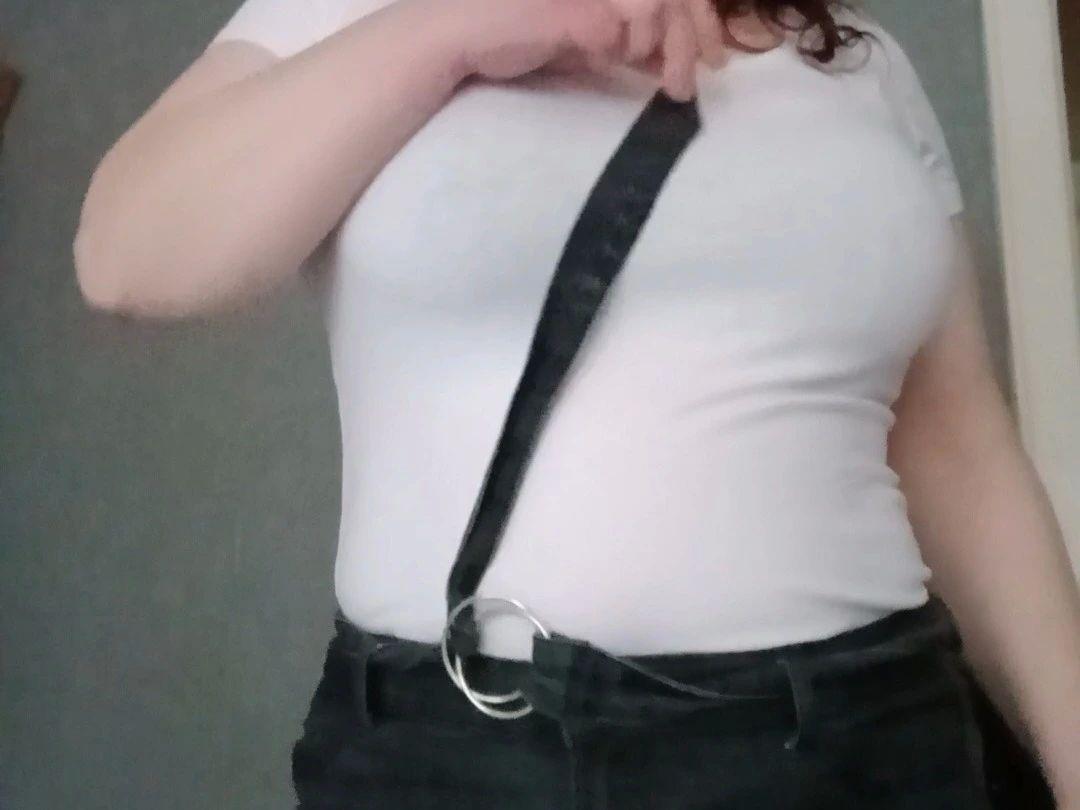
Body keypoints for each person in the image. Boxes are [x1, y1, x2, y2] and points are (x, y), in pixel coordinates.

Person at [73, 0, 1080, 807]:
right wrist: (452, 31)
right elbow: (126, 254)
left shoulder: (864, 66)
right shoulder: (352, 11)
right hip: (461, 757)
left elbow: (959, 447)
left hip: (867, 734)